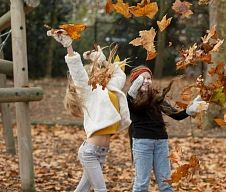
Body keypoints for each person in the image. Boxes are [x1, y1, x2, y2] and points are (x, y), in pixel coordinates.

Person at [47, 29, 131, 192]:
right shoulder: (88, 92)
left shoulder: (110, 89)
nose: (100, 72)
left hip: (101, 152)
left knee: (82, 189)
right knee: (101, 189)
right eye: (96, 70)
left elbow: (120, 74)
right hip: (90, 152)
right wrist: (69, 46)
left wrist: (101, 59)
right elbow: (77, 71)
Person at [126, 66, 208, 192]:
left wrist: (190, 110)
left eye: (149, 78)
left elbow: (176, 115)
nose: (147, 81)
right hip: (142, 144)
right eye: (142, 78)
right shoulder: (132, 99)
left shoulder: (156, 98)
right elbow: (130, 100)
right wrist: (132, 91)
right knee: (141, 184)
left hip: (161, 143)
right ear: (135, 82)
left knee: (166, 184)